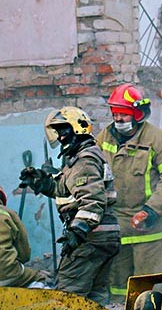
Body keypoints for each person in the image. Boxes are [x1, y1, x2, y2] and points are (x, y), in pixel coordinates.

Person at [99, 83, 162, 285]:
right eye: (115, 114)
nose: (118, 119)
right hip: (118, 222)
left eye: (124, 114)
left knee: (146, 283)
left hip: (148, 223)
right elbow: (92, 167)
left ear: (136, 114)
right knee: (118, 282)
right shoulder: (104, 137)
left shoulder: (155, 138)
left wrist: (152, 210)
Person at [42, 106, 121, 298]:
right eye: (58, 132)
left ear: (78, 128)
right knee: (95, 298)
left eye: (64, 130)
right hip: (103, 237)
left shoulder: (85, 160)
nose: (60, 137)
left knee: (69, 296)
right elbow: (67, 192)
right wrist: (41, 183)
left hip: (91, 238)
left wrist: (77, 231)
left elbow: (93, 201)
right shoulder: (81, 158)